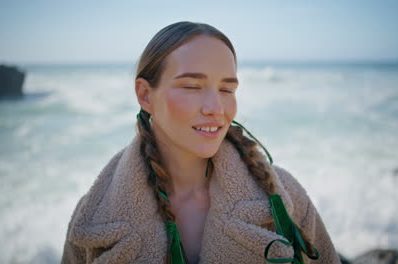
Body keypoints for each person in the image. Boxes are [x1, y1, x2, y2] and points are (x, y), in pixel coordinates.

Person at [61, 21, 341, 264]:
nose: (215, 108)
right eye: (192, 86)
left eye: (227, 89)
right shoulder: (94, 217)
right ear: (145, 96)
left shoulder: (285, 197)